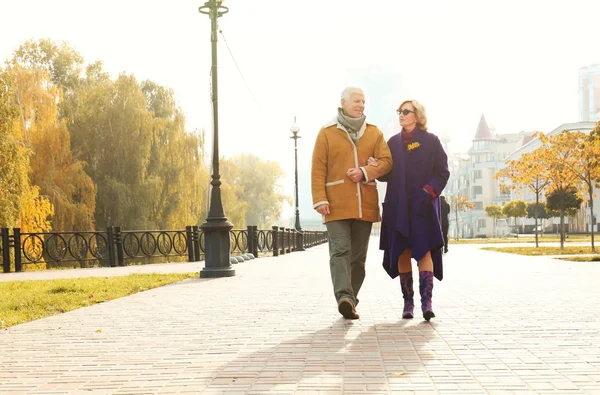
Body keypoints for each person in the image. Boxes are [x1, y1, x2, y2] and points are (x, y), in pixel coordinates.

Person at [311, 86, 392, 320]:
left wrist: (365, 171)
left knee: (358, 258)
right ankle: (344, 296)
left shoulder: (374, 133)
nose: (361, 105)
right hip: (334, 204)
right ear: (343, 103)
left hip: (364, 205)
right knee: (340, 252)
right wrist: (319, 199)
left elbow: (387, 162)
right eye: (356, 101)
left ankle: (350, 300)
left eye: (363, 102)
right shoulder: (326, 132)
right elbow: (318, 168)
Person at [377, 99, 449, 321]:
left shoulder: (431, 141)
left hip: (423, 205)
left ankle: (426, 303)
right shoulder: (392, 143)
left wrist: (428, 192)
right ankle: (408, 303)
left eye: (405, 111)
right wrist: (376, 166)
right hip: (398, 206)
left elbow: (442, 172)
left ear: (417, 115)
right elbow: (386, 173)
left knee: (424, 250)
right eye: (399, 111)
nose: (401, 115)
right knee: (402, 250)